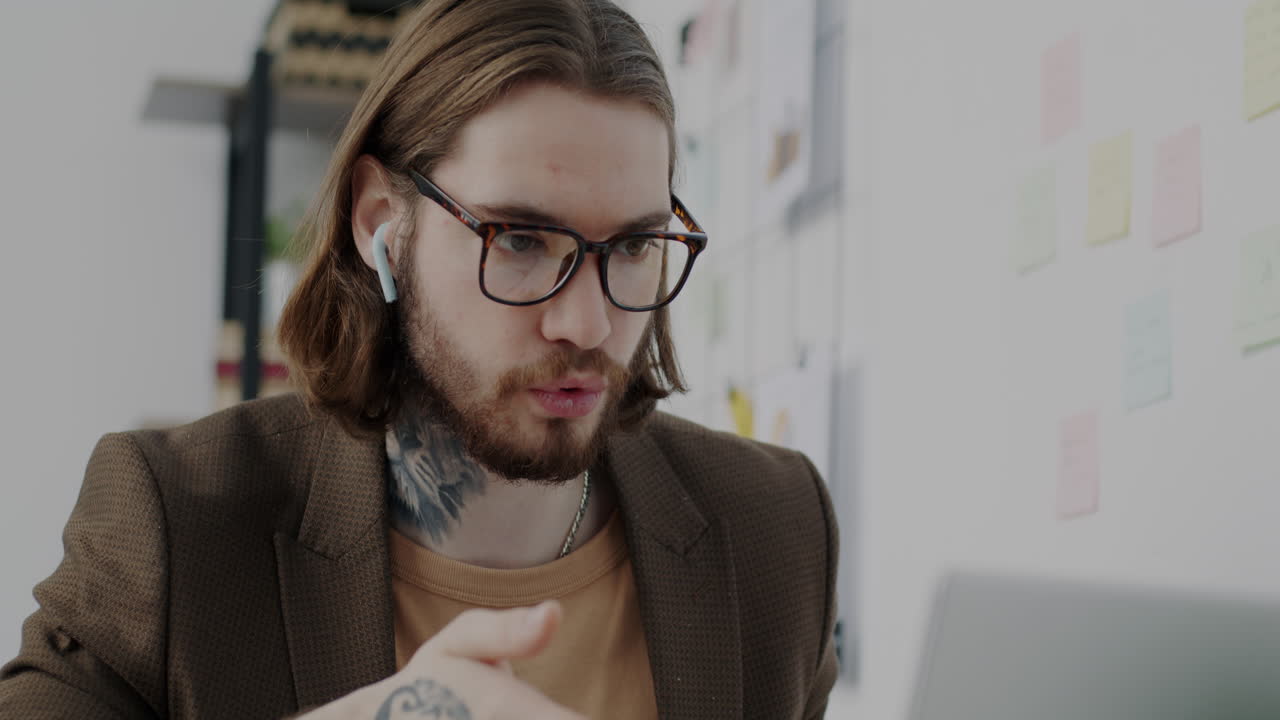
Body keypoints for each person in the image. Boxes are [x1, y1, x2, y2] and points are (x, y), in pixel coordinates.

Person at [0, 0, 839, 717]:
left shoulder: (775, 528)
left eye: (633, 246)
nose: (586, 324)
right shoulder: (178, 522)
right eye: (520, 240)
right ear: (380, 224)